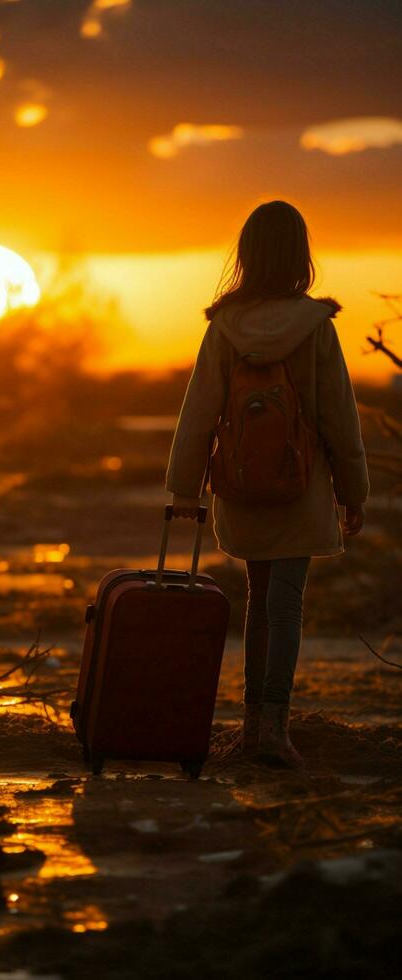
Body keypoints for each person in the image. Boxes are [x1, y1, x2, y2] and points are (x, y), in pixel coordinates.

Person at [165, 200, 369, 768]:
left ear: (248, 254)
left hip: (239, 486)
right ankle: (275, 731)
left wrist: (185, 489)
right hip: (300, 490)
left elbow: (199, 408)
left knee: (257, 605)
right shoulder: (316, 328)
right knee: (286, 606)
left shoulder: (224, 327)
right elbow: (338, 416)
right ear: (300, 255)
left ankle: (252, 728)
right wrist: (355, 491)